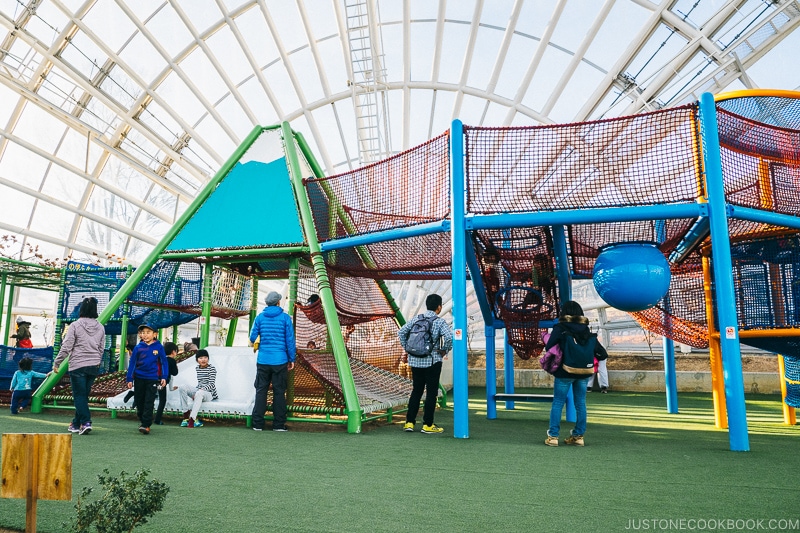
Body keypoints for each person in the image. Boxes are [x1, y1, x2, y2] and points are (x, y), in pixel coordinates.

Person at [543, 300, 608, 447]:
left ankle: (553, 436)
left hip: (564, 372)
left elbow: (549, 346)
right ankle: (578, 436)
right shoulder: (586, 330)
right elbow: (602, 354)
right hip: (584, 373)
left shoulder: (560, 328)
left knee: (558, 403)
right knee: (580, 404)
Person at [398, 293, 452, 434]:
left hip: (415, 360)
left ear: (427, 305)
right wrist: (443, 351)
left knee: (416, 391)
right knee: (431, 393)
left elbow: (401, 332)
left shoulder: (417, 318)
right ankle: (428, 424)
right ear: (439, 307)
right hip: (432, 361)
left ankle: (409, 423)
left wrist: (408, 349)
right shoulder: (439, 322)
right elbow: (449, 337)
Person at [52, 297, 106, 435]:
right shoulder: (100, 327)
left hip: (78, 365)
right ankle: (75, 423)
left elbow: (67, 346)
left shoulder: (75, 325)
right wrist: (97, 360)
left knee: (79, 396)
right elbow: (101, 347)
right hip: (93, 365)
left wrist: (57, 362)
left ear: (81, 309)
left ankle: (86, 422)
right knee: (83, 396)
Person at [249, 291, 295, 432]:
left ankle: (257, 424)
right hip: (280, 360)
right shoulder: (285, 318)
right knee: (279, 392)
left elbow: (252, 337)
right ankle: (278, 425)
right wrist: (291, 358)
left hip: (263, 360)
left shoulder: (260, 317)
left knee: (261, 391)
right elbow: (290, 341)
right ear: (278, 302)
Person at [126, 323, 168, 435]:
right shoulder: (138, 348)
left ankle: (146, 424)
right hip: (139, 378)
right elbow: (132, 364)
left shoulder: (159, 347)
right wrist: (129, 378)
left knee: (149, 400)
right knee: (139, 400)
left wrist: (164, 377)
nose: (145, 335)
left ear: (155, 334)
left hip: (152, 378)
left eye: (148, 332)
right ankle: (142, 419)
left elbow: (164, 362)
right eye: (143, 332)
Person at [178, 348, 217, 428]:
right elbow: (200, 383)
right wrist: (196, 391)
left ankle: (192, 419)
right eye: (201, 358)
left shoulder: (212, 368)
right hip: (199, 390)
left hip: (209, 393)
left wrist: (199, 391)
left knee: (199, 393)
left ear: (208, 359)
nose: (203, 360)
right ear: (197, 360)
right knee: (182, 387)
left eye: (205, 357)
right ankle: (186, 415)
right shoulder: (197, 368)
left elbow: (212, 384)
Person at [153, 341, 180, 425]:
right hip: (161, 383)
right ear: (173, 351)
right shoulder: (171, 361)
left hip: (153, 380)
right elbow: (174, 373)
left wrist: (171, 388)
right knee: (162, 400)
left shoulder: (161, 359)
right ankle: (157, 419)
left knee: (150, 397)